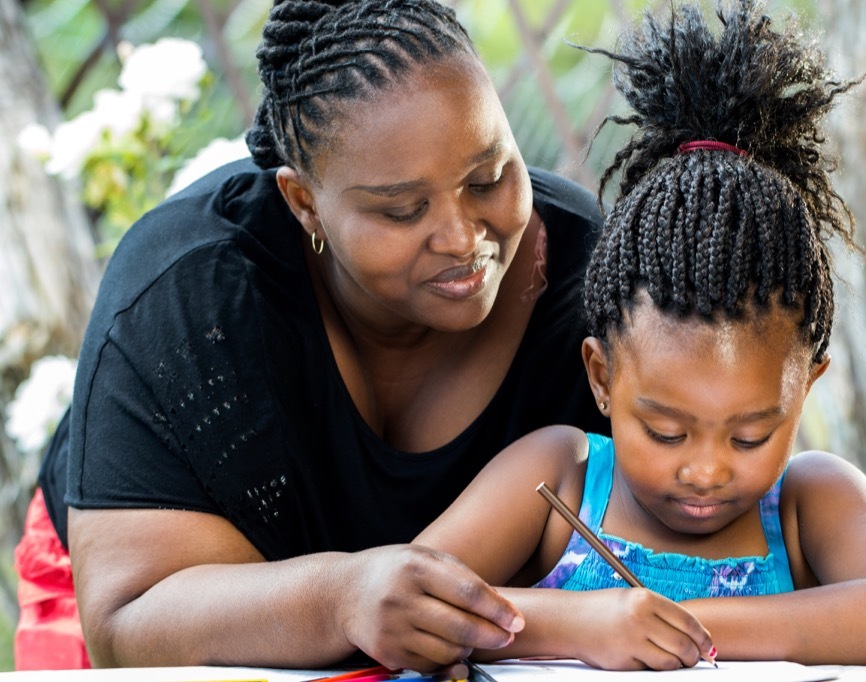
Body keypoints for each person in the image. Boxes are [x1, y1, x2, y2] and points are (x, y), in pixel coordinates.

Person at [14, 0, 611, 671]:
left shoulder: (585, 279)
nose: (463, 238)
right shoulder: (190, 296)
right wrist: (339, 599)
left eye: (488, 177)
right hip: (188, 611)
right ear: (303, 201)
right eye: (403, 209)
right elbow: (129, 622)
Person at [415, 0, 866, 669]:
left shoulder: (808, 505)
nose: (704, 470)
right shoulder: (561, 476)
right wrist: (583, 625)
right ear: (602, 376)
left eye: (750, 436)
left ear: (807, 385)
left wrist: (681, 625)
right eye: (667, 432)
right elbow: (414, 601)